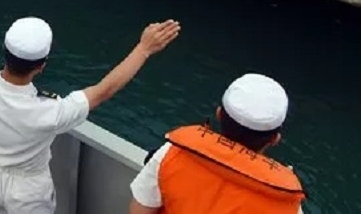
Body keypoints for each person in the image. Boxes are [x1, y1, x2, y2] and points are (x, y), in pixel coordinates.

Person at [0, 18, 181, 214]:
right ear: (41, 66)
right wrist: (143, 49)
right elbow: (104, 90)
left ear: (5, 51)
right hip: (29, 190)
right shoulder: (51, 111)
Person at [129, 73, 306, 214]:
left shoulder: (171, 154)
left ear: (219, 114)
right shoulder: (288, 202)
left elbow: (140, 210)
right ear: (274, 139)